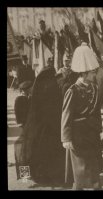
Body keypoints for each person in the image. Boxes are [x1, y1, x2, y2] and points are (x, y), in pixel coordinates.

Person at [61, 42, 103, 190]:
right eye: (92, 72)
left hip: (91, 133)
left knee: (94, 170)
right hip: (78, 135)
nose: (95, 75)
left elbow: (96, 110)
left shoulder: (94, 88)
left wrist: (99, 128)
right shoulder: (72, 91)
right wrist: (66, 138)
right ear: (84, 73)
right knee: (80, 172)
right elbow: (66, 115)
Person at [20, 55, 65, 185]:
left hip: (40, 128)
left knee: (35, 151)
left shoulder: (40, 89)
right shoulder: (54, 87)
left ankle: (32, 177)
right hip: (54, 127)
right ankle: (56, 177)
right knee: (53, 153)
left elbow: (35, 110)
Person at [14, 81, 33, 180]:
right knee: (23, 151)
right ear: (26, 90)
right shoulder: (21, 99)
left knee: (26, 151)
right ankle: (24, 176)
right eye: (30, 88)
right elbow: (18, 115)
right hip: (25, 127)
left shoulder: (29, 98)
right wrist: (23, 125)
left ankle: (28, 174)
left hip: (29, 127)